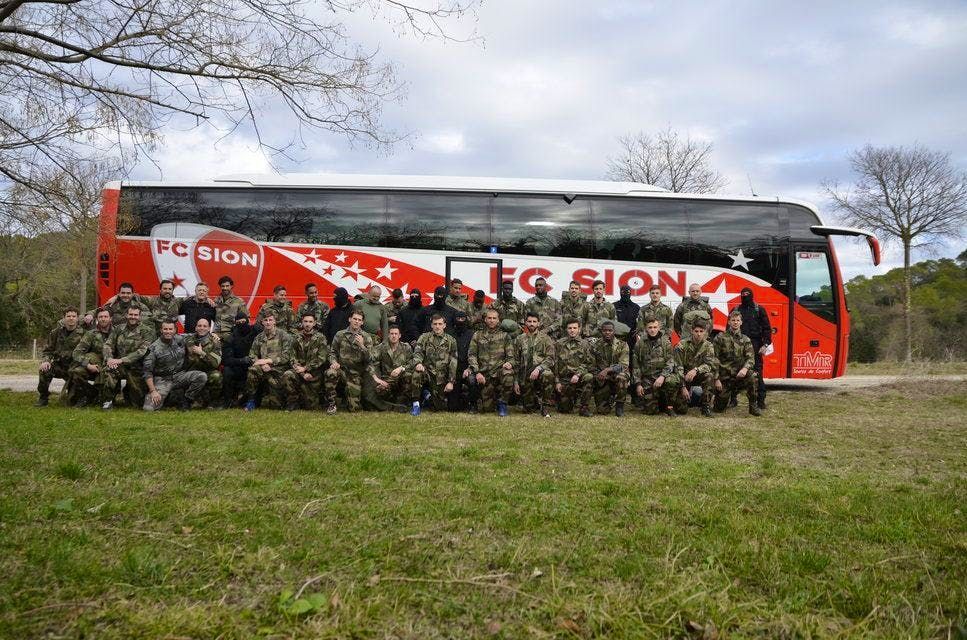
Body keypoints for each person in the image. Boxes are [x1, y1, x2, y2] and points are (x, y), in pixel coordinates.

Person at [143, 319, 207, 411]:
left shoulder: (180, 338)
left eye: (170, 329)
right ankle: (173, 396)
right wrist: (153, 391)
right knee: (148, 408)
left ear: (175, 330)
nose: (168, 332)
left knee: (201, 376)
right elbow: (147, 372)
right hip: (163, 380)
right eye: (165, 329)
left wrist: (213, 335)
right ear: (161, 330)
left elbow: (199, 334)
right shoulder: (153, 348)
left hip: (180, 376)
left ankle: (186, 399)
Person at [101, 306, 152, 409]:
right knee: (109, 370)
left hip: (137, 367)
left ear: (140, 316)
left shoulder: (146, 331)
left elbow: (142, 351)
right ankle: (108, 400)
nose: (133, 317)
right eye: (131, 314)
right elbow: (108, 345)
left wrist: (121, 360)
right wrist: (109, 358)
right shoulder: (119, 329)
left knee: (137, 404)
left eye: (135, 315)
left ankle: (127, 392)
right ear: (126, 315)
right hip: (120, 366)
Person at [466, 309, 515, 417]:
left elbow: (511, 357)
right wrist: (477, 372)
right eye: (489, 318)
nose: (491, 320)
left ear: (498, 320)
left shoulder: (505, 336)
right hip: (484, 375)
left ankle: (502, 403)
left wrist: (509, 364)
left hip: (498, 373)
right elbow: (472, 355)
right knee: (487, 409)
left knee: (508, 373)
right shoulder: (477, 335)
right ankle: (481, 401)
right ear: (485, 320)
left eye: (494, 318)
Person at [713, 310, 761, 416]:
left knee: (752, 376)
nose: (735, 322)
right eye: (733, 320)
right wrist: (716, 379)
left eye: (738, 320)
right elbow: (714, 359)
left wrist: (744, 369)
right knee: (718, 409)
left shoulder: (746, 339)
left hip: (740, 375)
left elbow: (751, 359)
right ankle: (727, 397)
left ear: (741, 322)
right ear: (729, 322)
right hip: (724, 377)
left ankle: (753, 406)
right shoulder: (720, 338)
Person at [324, 310, 373, 414]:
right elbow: (332, 352)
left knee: (354, 409)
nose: (356, 321)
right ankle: (331, 404)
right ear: (350, 319)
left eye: (359, 320)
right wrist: (333, 362)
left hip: (356, 374)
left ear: (362, 323)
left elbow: (370, 359)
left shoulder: (366, 337)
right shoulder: (340, 334)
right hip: (341, 370)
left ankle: (348, 399)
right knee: (330, 372)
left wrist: (362, 346)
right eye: (354, 319)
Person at [36, 307, 86, 407]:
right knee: (44, 370)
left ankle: (81, 397)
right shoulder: (55, 333)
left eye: (73, 316)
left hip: (75, 367)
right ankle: (43, 398)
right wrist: (46, 361)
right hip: (60, 365)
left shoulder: (84, 334)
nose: (71, 318)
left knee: (71, 400)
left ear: (77, 318)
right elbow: (48, 351)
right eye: (68, 316)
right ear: (63, 318)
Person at [243, 314, 293, 411]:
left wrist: (269, 361)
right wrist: (261, 363)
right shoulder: (259, 337)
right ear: (262, 322)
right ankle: (251, 400)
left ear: (275, 322)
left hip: (278, 370)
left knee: (276, 406)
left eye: (270, 320)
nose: (268, 322)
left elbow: (287, 356)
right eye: (266, 320)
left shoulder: (284, 335)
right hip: (262, 368)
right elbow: (252, 354)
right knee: (252, 370)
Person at [409, 314, 457, 415]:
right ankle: (416, 404)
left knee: (439, 407)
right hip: (427, 372)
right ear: (431, 325)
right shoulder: (424, 337)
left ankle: (427, 395)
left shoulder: (451, 340)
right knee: (417, 373)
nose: (437, 326)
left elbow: (453, 361)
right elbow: (418, 352)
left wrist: (451, 382)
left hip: (441, 376)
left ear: (444, 325)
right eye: (435, 324)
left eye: (440, 324)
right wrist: (418, 363)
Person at [282, 313, 329, 411]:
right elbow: (292, 357)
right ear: (302, 323)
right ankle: (292, 401)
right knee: (288, 374)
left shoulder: (321, 338)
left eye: (310, 322)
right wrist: (302, 372)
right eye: (305, 321)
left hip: (314, 374)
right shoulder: (295, 337)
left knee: (311, 407)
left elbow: (322, 358)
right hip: (299, 372)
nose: (308, 324)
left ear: (314, 323)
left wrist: (306, 368)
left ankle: (312, 397)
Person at [734, 287, 771, 409]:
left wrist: (765, 344)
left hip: (755, 345)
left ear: (751, 295)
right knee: (733, 370)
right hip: (738, 344)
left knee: (757, 373)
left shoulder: (759, 310)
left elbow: (767, 329)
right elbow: (728, 328)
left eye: (747, 294)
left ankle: (760, 401)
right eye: (743, 294)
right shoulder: (736, 310)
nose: (745, 296)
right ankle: (732, 399)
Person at [670, 319, 716, 417]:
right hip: (684, 377)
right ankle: (689, 399)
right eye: (696, 331)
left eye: (701, 331)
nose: (698, 334)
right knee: (681, 410)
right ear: (691, 331)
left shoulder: (708, 346)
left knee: (709, 376)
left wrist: (696, 370)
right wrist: (682, 387)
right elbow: (678, 367)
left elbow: (709, 364)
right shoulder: (681, 345)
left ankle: (706, 405)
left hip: (698, 375)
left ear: (705, 332)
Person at [632, 318, 677, 416]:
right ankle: (659, 403)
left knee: (672, 381)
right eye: (650, 327)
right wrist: (638, 384)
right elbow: (636, 365)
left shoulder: (666, 342)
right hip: (647, 378)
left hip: (663, 377)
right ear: (646, 329)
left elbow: (670, 362)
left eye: (655, 327)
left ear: (659, 328)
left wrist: (662, 376)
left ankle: (669, 407)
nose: (652, 330)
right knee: (651, 411)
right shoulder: (640, 343)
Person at [69, 308, 113, 407]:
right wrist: (87, 365)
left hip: (111, 365)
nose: (103, 319)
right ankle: (86, 395)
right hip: (94, 365)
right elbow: (76, 353)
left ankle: (105, 396)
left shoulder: (117, 333)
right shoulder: (91, 334)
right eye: (100, 317)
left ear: (110, 318)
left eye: (106, 317)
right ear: (97, 319)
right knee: (77, 372)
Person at [514, 312, 555, 417]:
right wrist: (516, 381)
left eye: (534, 321)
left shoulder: (545, 338)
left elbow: (550, 358)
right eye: (529, 321)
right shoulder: (519, 339)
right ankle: (535, 401)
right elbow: (516, 361)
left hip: (540, 372)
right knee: (528, 409)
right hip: (525, 374)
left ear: (538, 323)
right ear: (525, 323)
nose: (532, 324)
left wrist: (539, 369)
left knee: (548, 374)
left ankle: (545, 406)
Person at [221, 309, 261, 408]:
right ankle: (228, 401)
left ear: (247, 321)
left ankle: (253, 400)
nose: (241, 324)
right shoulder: (231, 337)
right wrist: (242, 360)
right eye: (238, 323)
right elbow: (226, 360)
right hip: (238, 367)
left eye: (243, 322)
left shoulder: (256, 331)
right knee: (227, 371)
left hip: (255, 365)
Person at [369, 324, 412, 411]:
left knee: (408, 375)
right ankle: (391, 401)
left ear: (400, 335)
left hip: (401, 380)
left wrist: (401, 368)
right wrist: (376, 378)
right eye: (391, 334)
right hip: (387, 379)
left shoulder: (406, 347)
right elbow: (370, 361)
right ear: (388, 335)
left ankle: (403, 400)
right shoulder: (381, 347)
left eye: (396, 334)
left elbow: (412, 362)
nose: (394, 336)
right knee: (379, 390)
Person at [591, 320, 630, 416]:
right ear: (601, 331)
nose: (607, 332)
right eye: (605, 330)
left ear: (614, 331)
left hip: (617, 375)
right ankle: (610, 397)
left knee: (622, 377)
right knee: (602, 411)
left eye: (610, 330)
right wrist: (599, 374)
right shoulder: (595, 346)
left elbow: (623, 365)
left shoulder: (622, 345)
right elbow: (591, 364)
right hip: (602, 377)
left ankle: (619, 405)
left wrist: (607, 370)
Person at [555, 318, 593, 417]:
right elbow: (555, 364)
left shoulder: (585, 344)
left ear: (579, 329)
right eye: (570, 328)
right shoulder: (559, 344)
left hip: (579, 377)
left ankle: (584, 408)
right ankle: (570, 401)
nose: (572, 330)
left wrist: (578, 373)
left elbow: (589, 363)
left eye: (575, 328)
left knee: (589, 377)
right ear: (566, 329)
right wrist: (557, 381)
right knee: (564, 409)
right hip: (565, 379)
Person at [184, 317, 222, 408]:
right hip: (192, 371)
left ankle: (212, 402)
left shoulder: (215, 341)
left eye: (205, 326)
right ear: (196, 328)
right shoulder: (188, 339)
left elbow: (215, 363)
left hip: (207, 371)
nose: (202, 328)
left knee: (216, 376)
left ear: (209, 328)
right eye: (199, 326)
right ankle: (190, 400)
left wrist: (202, 353)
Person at [449, 310, 477, 411]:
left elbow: (475, 353)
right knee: (453, 407)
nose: (460, 321)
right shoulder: (449, 334)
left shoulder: (472, 334)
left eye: (463, 319)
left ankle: (473, 404)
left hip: (467, 368)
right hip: (453, 370)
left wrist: (470, 368)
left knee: (472, 380)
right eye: (458, 319)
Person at [215, 276, 247, 341]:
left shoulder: (239, 301)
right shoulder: (215, 301)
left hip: (232, 335)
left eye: (227, 286)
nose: (225, 288)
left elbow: (246, 319)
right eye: (223, 286)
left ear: (231, 286)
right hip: (216, 335)